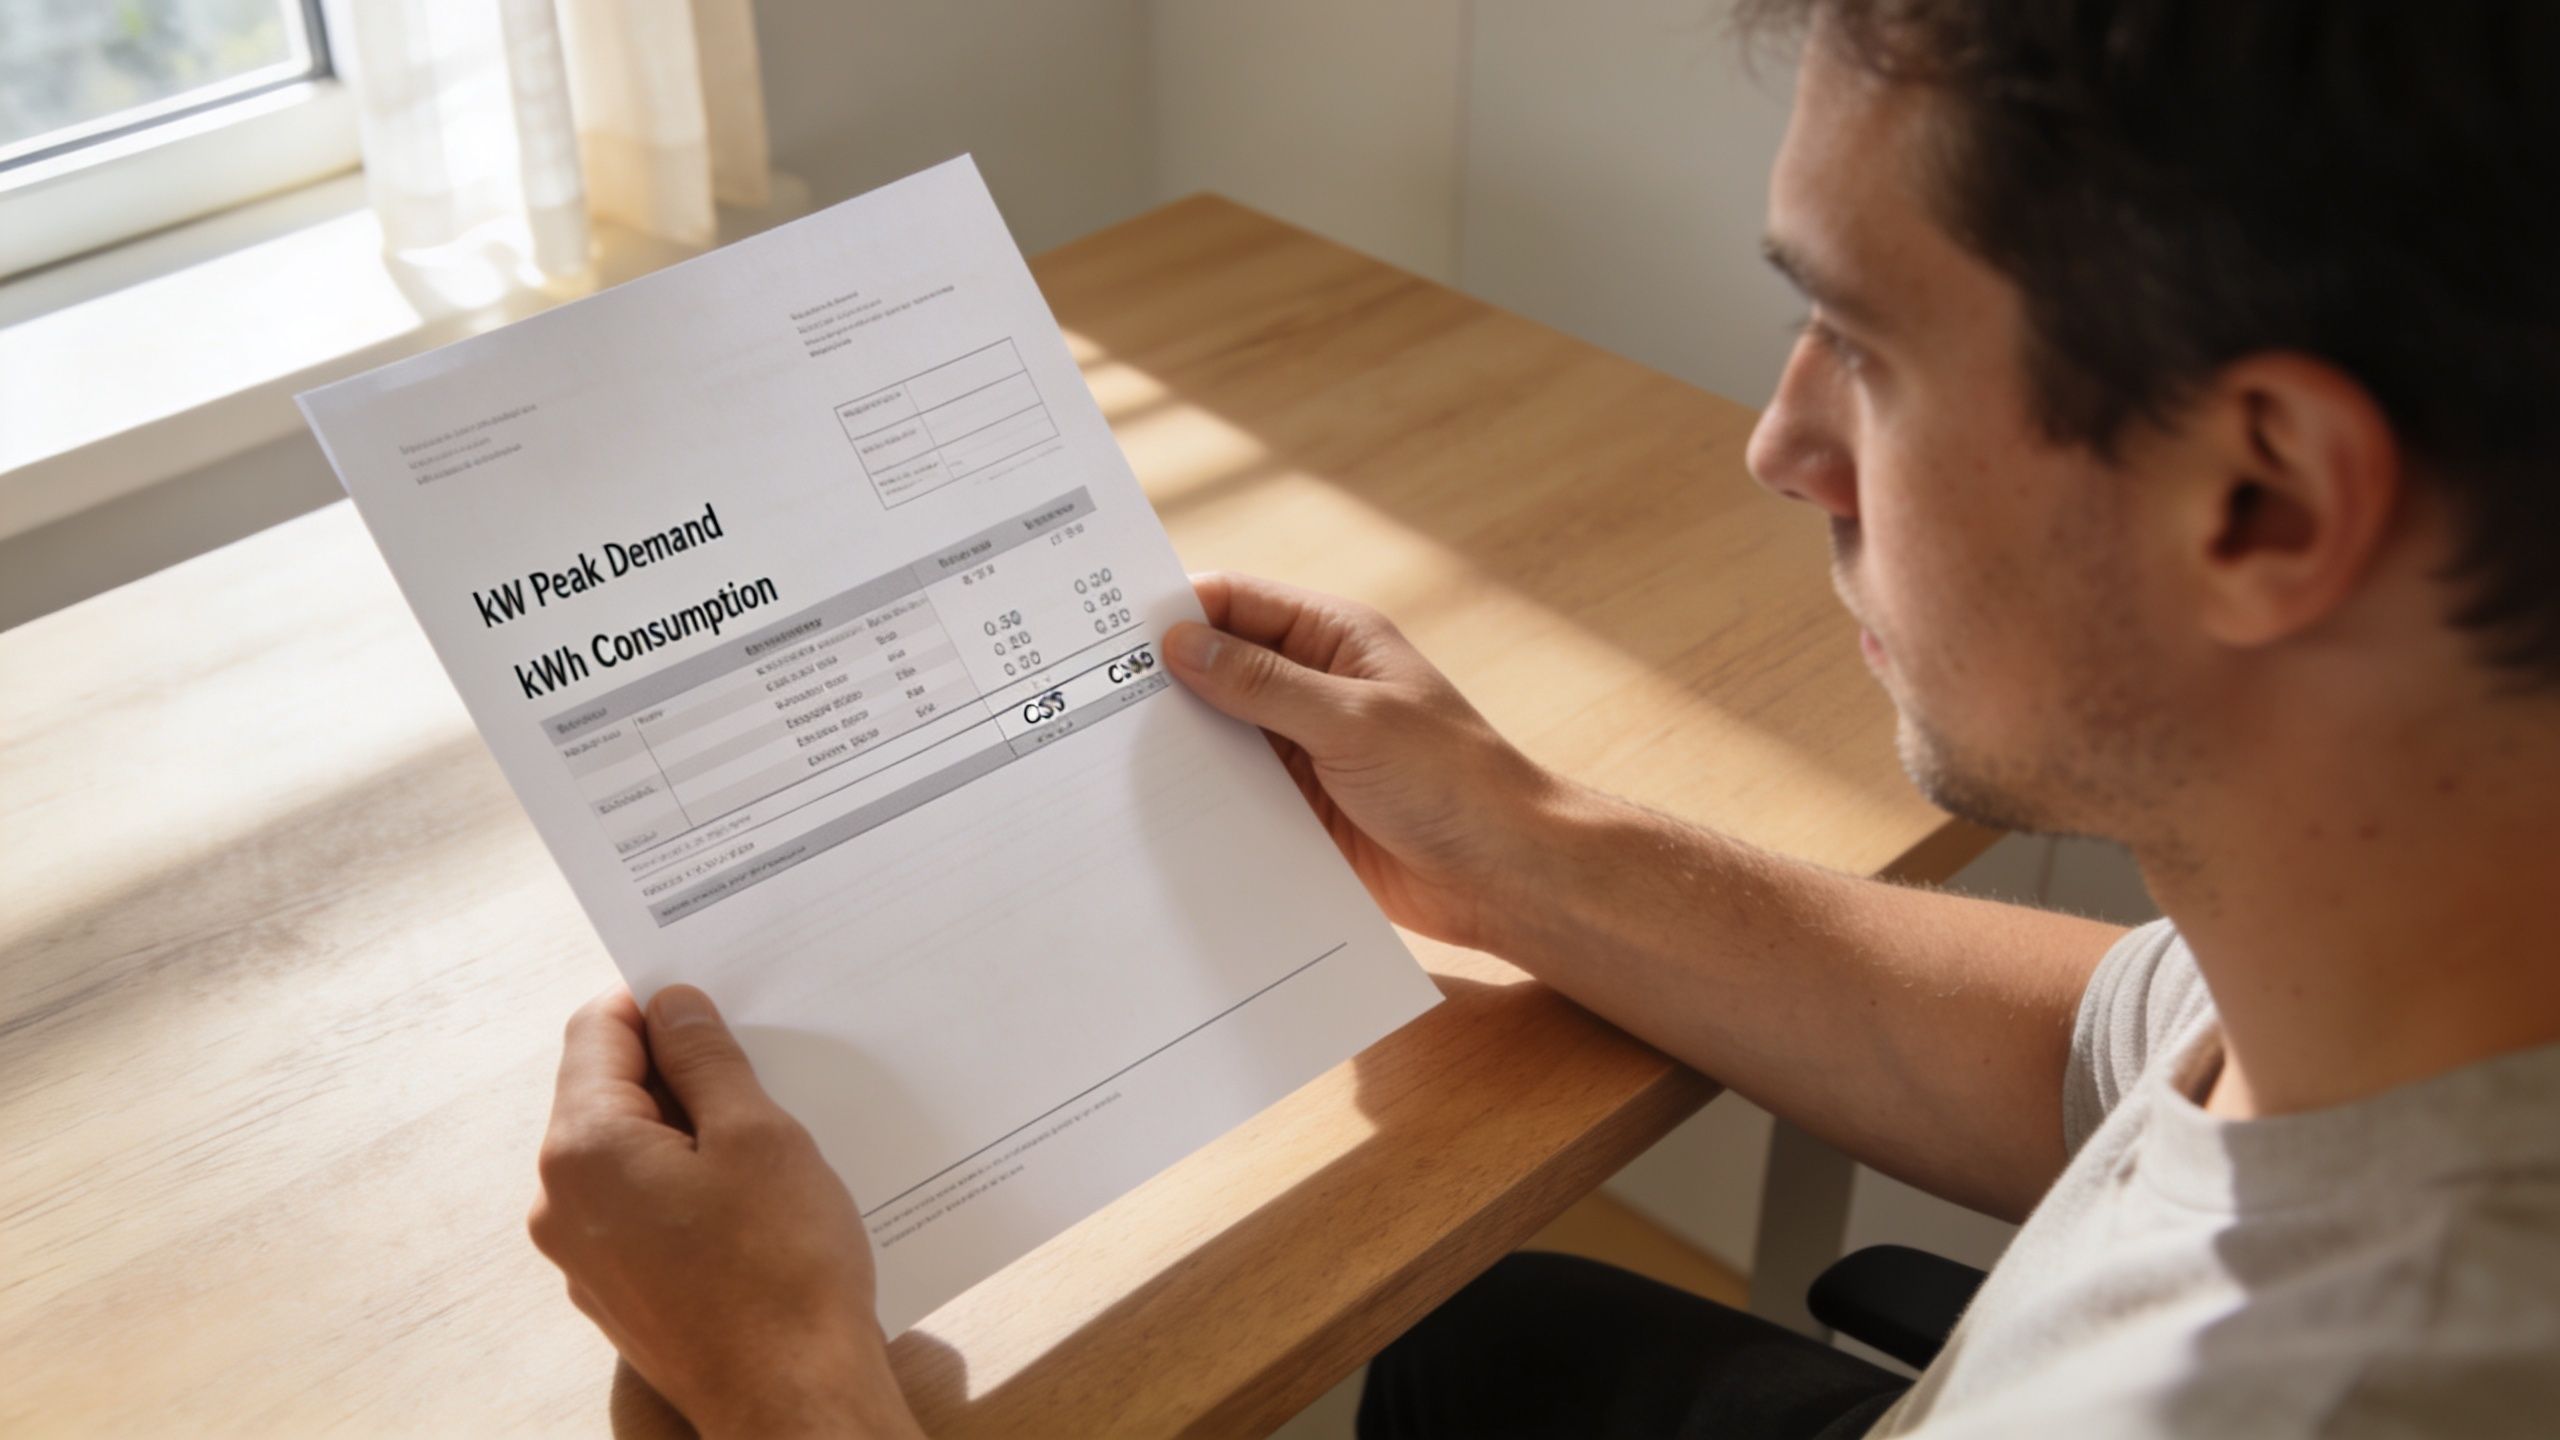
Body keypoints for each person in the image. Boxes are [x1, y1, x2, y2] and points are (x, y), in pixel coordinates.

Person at [526, 0, 2560, 1434]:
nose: (1778, 443)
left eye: (1856, 343)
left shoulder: (2343, 1391)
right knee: (1488, 1355)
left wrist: (790, 1387)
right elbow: (2112, 1051)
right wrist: (1518, 840)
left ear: (2263, 498)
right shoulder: (2416, 961)